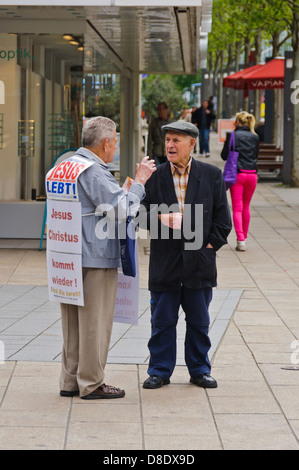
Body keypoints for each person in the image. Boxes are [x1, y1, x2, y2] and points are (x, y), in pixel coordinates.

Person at [59, 116, 156, 399]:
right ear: (105, 143)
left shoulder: (65, 165)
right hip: (94, 255)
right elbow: (122, 210)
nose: (115, 149)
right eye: (115, 143)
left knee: (73, 324)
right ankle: (91, 382)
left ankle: (70, 380)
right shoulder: (94, 170)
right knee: (94, 323)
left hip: (66, 254)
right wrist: (139, 182)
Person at [140, 120, 232, 390]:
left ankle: (200, 370)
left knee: (199, 322)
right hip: (165, 263)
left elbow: (222, 221)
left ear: (192, 144)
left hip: (199, 263)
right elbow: (138, 215)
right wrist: (161, 218)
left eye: (176, 140)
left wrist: (209, 247)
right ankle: (159, 370)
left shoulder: (212, 175)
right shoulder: (154, 177)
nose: (170, 145)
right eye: (168, 140)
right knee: (162, 321)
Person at [221, 111, 259, 252]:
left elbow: (224, 156)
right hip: (252, 174)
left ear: (237, 122)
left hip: (237, 174)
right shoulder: (255, 137)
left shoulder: (233, 135)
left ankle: (240, 240)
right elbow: (256, 155)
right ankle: (245, 237)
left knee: (237, 208)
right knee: (246, 206)